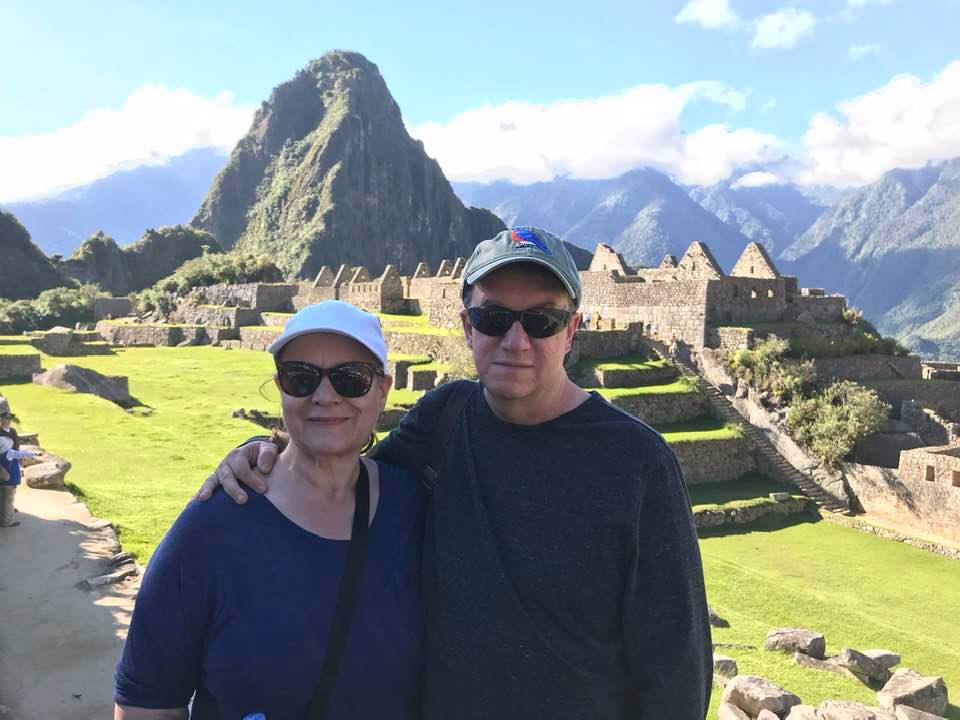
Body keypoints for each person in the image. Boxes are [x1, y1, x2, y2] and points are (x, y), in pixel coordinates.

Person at [201, 226, 712, 719]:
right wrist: (265, 450)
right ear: (468, 327)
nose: (516, 341)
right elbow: (342, 480)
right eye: (493, 319)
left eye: (541, 321)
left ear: (571, 330)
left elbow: (676, 670)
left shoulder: (637, 463)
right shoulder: (443, 419)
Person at [115, 301, 424, 719]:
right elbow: (146, 704)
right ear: (280, 387)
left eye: (351, 379)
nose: (325, 396)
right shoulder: (214, 527)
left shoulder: (412, 507)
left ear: (383, 389)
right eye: (302, 378)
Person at [0, 426, 37, 528]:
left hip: (3, 481)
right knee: (8, 502)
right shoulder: (9, 453)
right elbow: (21, 454)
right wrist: (33, 453)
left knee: (3, 500)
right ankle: (7, 522)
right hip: (10, 481)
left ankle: (3, 519)